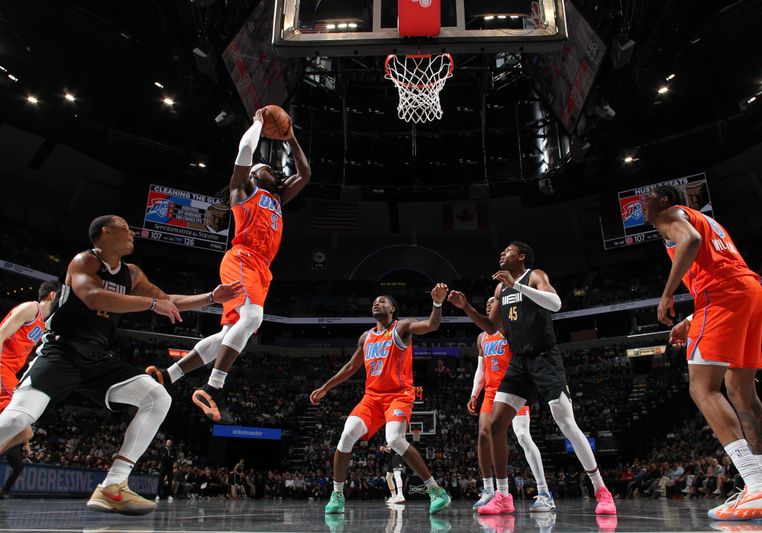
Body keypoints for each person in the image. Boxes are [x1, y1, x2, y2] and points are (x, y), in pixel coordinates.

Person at [0, 215, 241, 515]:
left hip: (98, 359)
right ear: (105, 232)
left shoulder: (133, 274)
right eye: (125, 229)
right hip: (61, 353)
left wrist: (210, 297)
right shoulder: (83, 262)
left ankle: (113, 486)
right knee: (15, 421)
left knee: (158, 396)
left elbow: (167, 300)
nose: (132, 234)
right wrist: (152, 305)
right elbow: (92, 297)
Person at [147, 107, 311, 424]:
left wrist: (290, 137)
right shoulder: (244, 190)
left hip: (262, 269)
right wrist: (259, 124)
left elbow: (305, 174)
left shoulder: (277, 198)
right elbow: (245, 152)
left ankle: (168, 376)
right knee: (253, 317)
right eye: (265, 169)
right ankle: (213, 388)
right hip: (242, 258)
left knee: (228, 334)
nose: (273, 172)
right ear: (252, 175)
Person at [643, 185, 762, 520]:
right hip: (749, 292)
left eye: (648, 198)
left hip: (721, 297)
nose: (643, 203)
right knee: (741, 390)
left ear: (665, 201)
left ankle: (755, 485)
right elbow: (727, 268)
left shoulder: (671, 216)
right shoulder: (710, 221)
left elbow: (690, 242)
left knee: (702, 387)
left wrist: (667, 295)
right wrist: (692, 318)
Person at [448, 241, 616, 515]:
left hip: (545, 358)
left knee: (565, 422)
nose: (502, 253)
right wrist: (466, 306)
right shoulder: (500, 288)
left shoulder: (535, 276)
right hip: (519, 362)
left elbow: (556, 303)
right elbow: (491, 326)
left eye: (508, 251)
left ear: (521, 256)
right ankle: (502, 496)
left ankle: (601, 489)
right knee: (495, 425)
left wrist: (518, 286)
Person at [310, 286, 452, 515]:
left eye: (382, 301)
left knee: (394, 438)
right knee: (346, 435)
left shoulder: (402, 327)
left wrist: (437, 304)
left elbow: (431, 326)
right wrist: (325, 388)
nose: (377, 303)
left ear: (392, 309)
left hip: (399, 395)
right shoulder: (366, 337)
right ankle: (337, 494)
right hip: (372, 398)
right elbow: (350, 367)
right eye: (375, 301)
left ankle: (436, 491)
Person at [468, 296, 554, 512]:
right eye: (486, 303)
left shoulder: (510, 330)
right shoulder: (481, 337)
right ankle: (489, 490)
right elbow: (481, 369)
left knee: (523, 437)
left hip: (512, 389)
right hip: (490, 393)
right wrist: (474, 393)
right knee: (483, 436)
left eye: (493, 302)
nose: (489, 304)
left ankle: (544, 491)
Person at [0, 280, 60, 497]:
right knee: (23, 427)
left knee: (24, 431)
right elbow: (1, 333)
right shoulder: (30, 308)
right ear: (53, 296)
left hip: (10, 373)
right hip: (1, 367)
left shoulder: (44, 325)